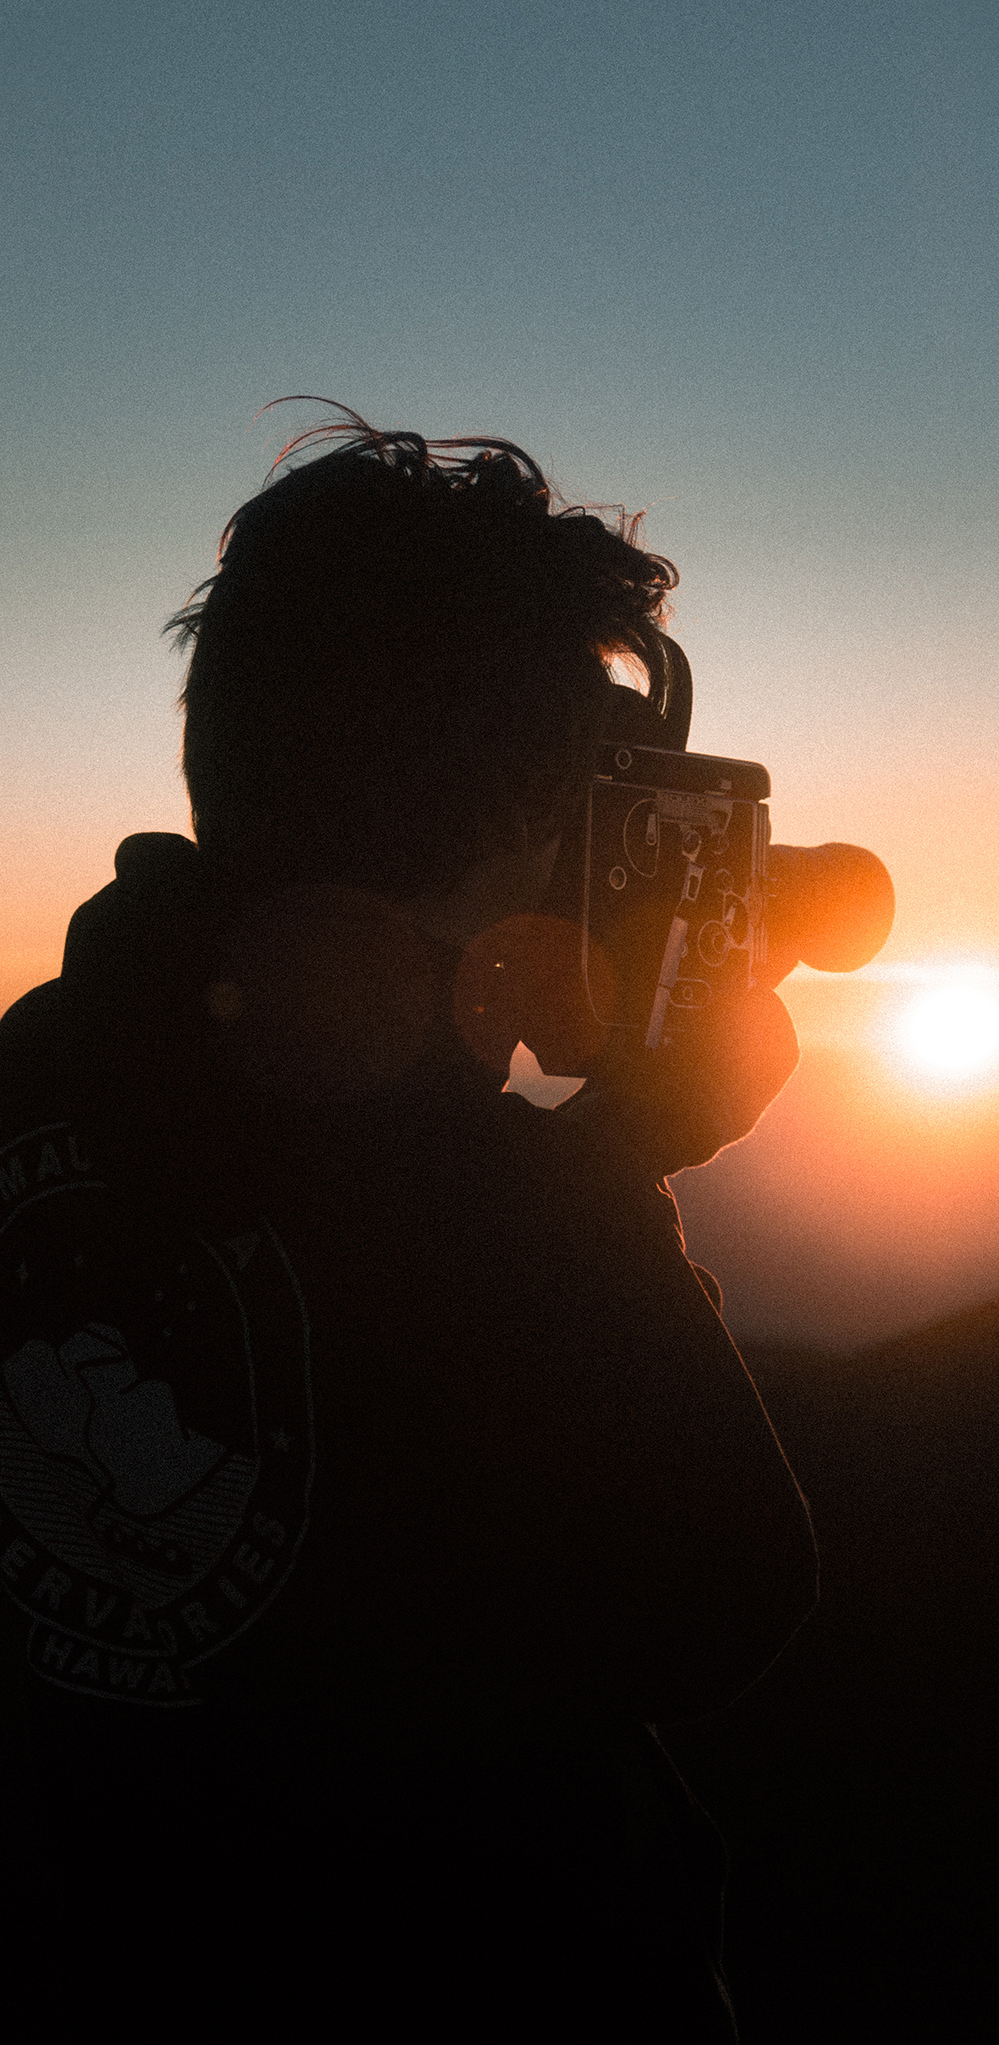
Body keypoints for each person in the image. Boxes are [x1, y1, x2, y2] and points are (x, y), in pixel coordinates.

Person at [0, 410, 816, 2032]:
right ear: (525, 814)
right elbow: (713, 1595)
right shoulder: (461, 1192)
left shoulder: (40, 1074)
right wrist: (613, 1161)